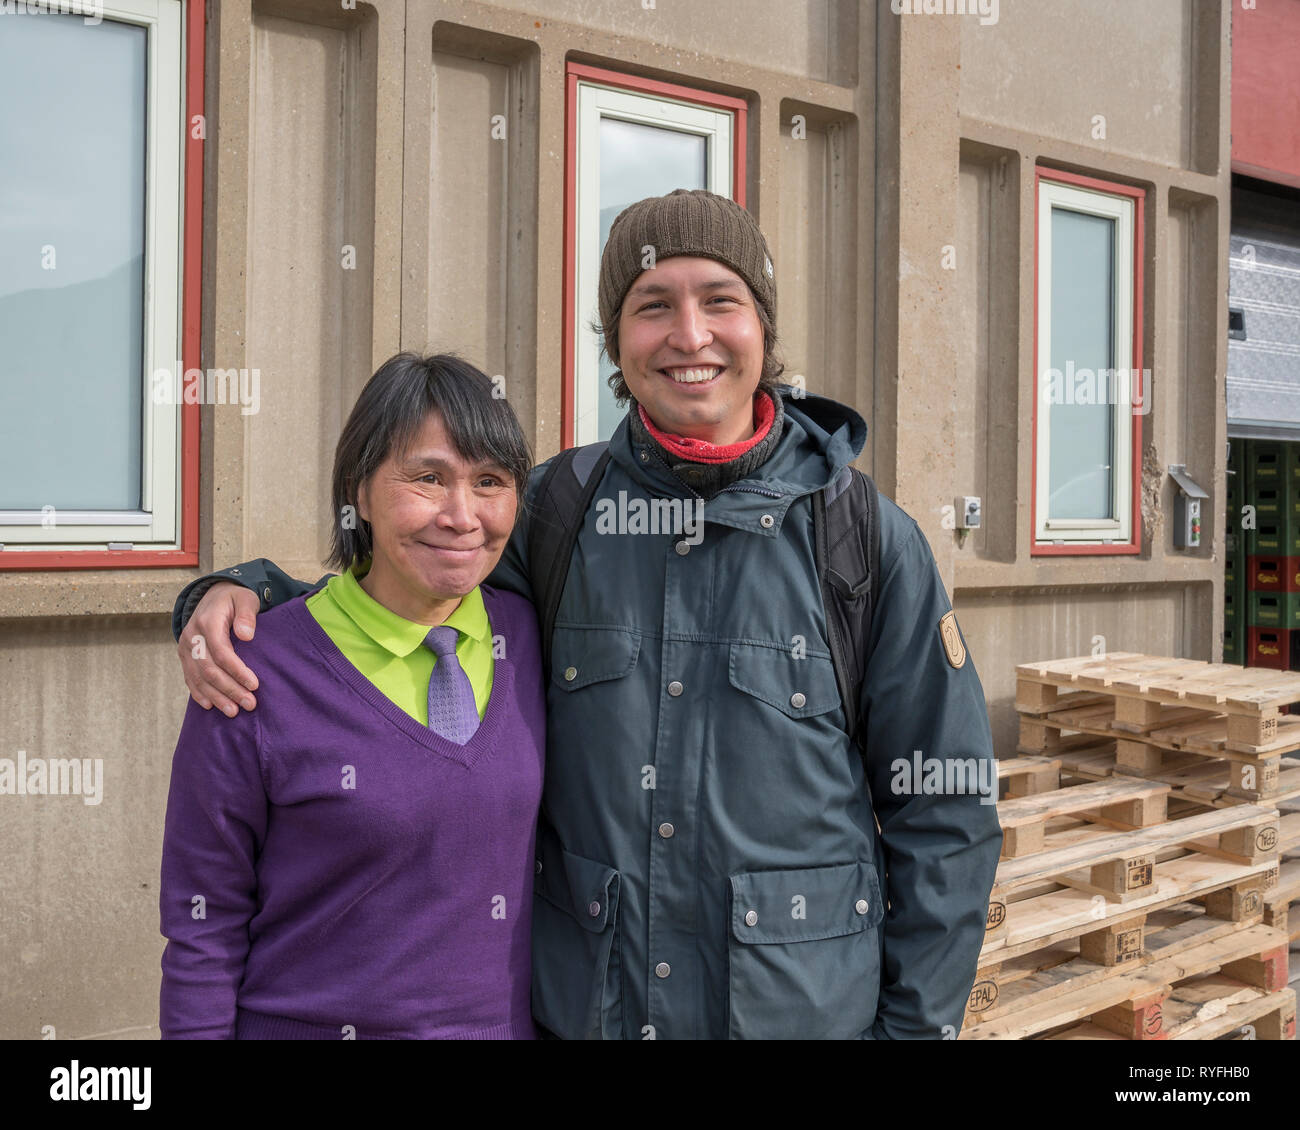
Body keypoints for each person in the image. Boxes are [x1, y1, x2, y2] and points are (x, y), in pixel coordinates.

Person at [171, 189, 1003, 1040]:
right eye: (653, 307)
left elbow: (945, 815)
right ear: (616, 339)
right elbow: (410, 583)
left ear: (764, 328)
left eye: (721, 300)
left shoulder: (862, 539)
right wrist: (243, 592)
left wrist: (910, 1032)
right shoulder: (556, 512)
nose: (689, 335)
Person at [159, 353, 543, 1039]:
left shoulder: (533, 640)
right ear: (358, 493)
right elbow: (203, 925)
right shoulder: (249, 670)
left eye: (491, 481)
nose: (462, 515)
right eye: (428, 478)